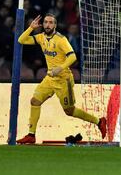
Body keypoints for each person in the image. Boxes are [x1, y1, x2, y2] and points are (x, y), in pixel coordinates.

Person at [16, 14, 106, 144]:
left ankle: (99, 121)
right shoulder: (41, 37)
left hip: (64, 80)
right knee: (35, 101)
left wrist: (60, 68)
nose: (47, 25)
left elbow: (72, 57)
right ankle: (31, 135)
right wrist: (31, 28)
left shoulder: (61, 39)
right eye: (46, 22)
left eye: (51, 22)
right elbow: (21, 40)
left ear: (55, 25)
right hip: (50, 79)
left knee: (69, 111)